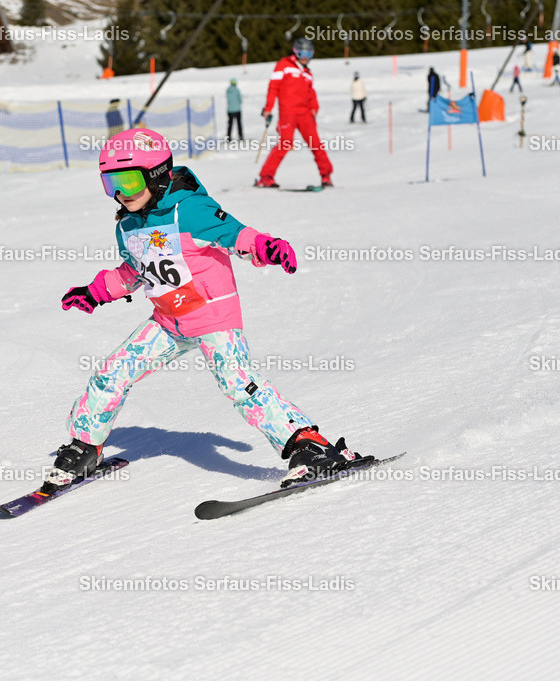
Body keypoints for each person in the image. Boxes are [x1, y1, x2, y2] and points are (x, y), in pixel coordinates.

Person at [47, 127, 365, 493]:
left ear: (156, 175)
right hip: (168, 322)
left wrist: (267, 246)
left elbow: (235, 235)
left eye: (129, 182)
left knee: (239, 384)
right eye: (111, 183)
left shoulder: (191, 209)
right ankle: (86, 446)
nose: (120, 193)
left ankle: (311, 448)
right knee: (112, 373)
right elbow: (134, 271)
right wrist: (96, 292)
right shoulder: (129, 225)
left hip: (214, 318)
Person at [255, 37, 333, 189]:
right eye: (302, 53)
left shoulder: (307, 73)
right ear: (296, 52)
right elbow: (273, 87)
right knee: (285, 143)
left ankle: (326, 175)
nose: (305, 57)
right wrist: (268, 108)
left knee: (315, 143)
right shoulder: (283, 66)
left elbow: (311, 93)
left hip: (305, 114)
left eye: (309, 54)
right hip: (288, 113)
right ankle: (266, 177)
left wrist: (315, 108)